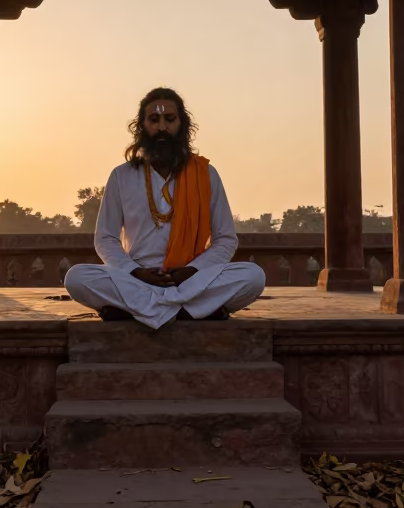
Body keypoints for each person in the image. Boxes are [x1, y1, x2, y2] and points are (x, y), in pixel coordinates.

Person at [63, 88, 266, 329]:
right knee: (76, 278)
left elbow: (225, 240)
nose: (161, 128)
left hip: (190, 279)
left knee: (253, 276)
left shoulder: (206, 175)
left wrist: (192, 270)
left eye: (169, 119)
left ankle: (140, 310)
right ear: (142, 125)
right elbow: (106, 240)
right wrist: (136, 272)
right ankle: (191, 310)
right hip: (138, 279)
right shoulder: (122, 176)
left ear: (182, 124)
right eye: (154, 120)